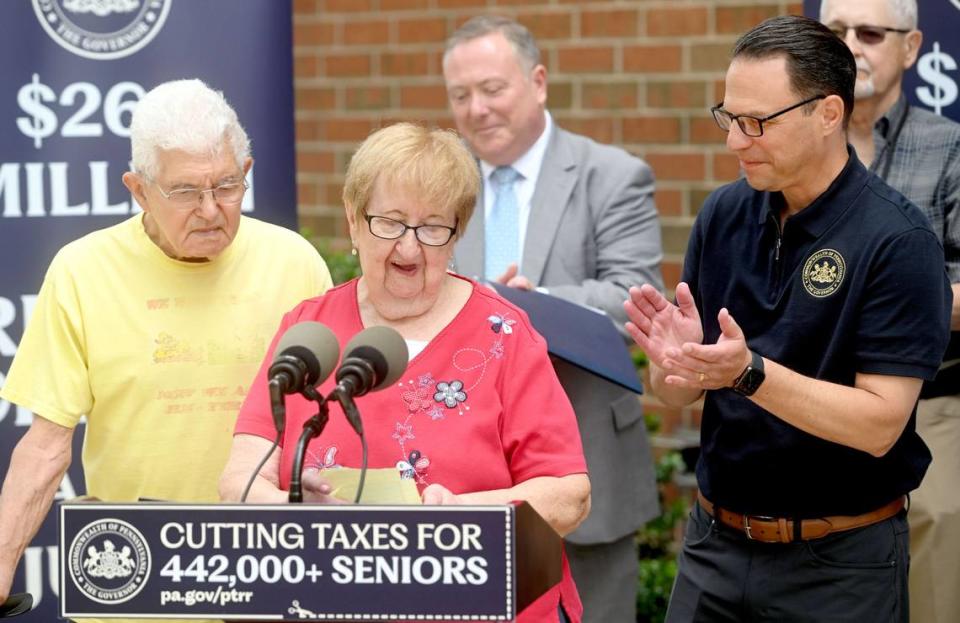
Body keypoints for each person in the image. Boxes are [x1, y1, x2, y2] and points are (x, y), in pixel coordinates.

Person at [624, 15, 952, 622]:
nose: (735, 142)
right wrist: (677, 367)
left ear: (827, 114)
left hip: (840, 564)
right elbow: (674, 397)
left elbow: (880, 424)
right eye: (729, 118)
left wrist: (747, 373)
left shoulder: (898, 239)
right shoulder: (723, 214)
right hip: (714, 544)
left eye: (756, 123)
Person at [220, 122, 591, 622]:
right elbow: (241, 480)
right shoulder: (309, 329)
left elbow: (569, 495)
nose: (409, 250)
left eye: (433, 227)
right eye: (389, 223)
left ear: (457, 233)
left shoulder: (503, 332)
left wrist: (465, 519)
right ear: (353, 220)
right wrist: (294, 516)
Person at [0, 79, 333, 618]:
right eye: (184, 192)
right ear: (138, 190)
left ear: (246, 174)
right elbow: (45, 447)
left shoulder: (295, 263)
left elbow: (334, 414)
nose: (210, 210)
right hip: (136, 578)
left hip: (274, 572)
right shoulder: (81, 272)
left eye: (227, 185)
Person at [441, 16, 663, 622]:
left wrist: (534, 305)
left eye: (492, 88)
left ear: (537, 82)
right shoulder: (441, 186)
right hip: (463, 478)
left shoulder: (611, 176)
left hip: (583, 459)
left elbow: (635, 298)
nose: (476, 109)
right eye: (460, 95)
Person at [818, 2, 960, 621]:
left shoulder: (950, 146)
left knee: (936, 524)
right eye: (835, 32)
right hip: (807, 401)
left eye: (870, 33)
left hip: (930, 401)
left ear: (911, 48)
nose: (851, 46)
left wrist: (865, 306)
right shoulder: (794, 143)